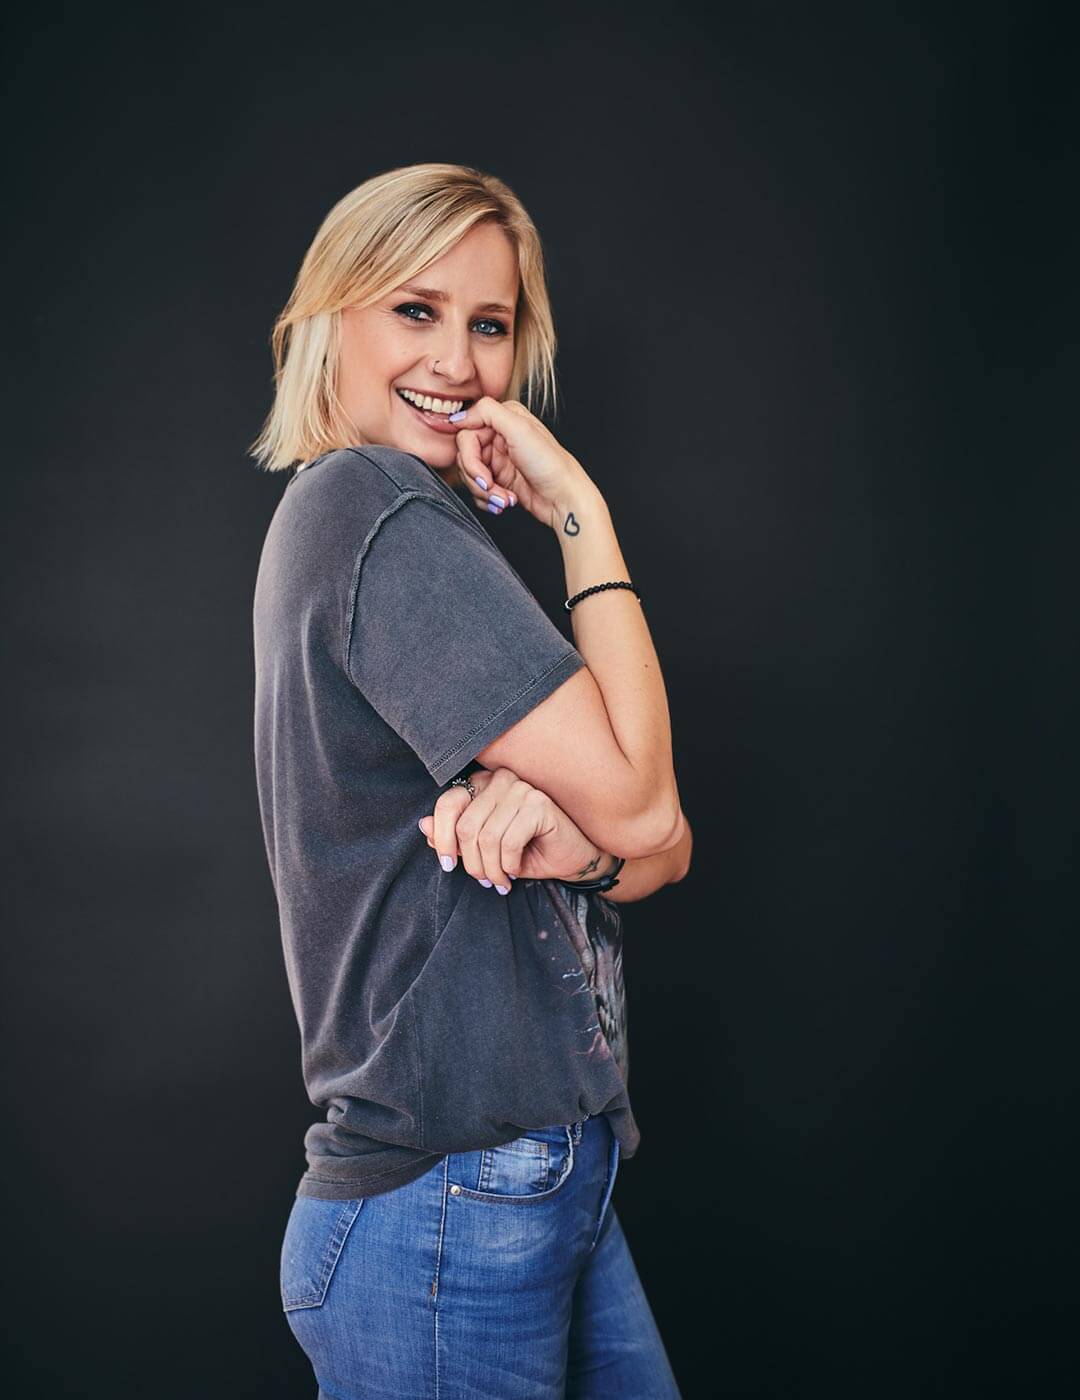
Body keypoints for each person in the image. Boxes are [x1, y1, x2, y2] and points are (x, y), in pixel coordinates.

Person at [251, 162, 691, 1398]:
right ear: (327, 318)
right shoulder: (375, 508)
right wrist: (580, 508)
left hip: (537, 1170)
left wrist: (571, 828)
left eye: (487, 323)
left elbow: (659, 844)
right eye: (413, 308)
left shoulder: (411, 527)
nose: (456, 358)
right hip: (448, 1196)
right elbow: (650, 806)